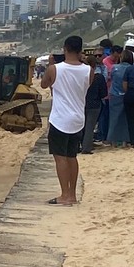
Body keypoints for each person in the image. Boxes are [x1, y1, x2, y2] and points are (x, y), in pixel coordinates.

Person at [41, 35, 92, 205]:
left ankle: (64, 195)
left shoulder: (54, 69)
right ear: (80, 50)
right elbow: (86, 86)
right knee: (72, 156)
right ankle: (72, 194)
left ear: (65, 49)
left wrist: (50, 64)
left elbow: (44, 84)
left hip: (60, 118)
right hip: (78, 118)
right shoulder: (89, 70)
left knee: (60, 157)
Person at [108, 46, 134, 147]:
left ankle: (113, 141)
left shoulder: (114, 67)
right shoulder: (131, 68)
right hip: (127, 94)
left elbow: (111, 78)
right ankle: (124, 141)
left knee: (114, 118)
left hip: (115, 94)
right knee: (126, 119)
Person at [81, 53, 107, 154]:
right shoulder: (99, 77)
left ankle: (78, 145)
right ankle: (86, 147)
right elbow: (104, 93)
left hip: (82, 102)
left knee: (81, 126)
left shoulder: (82, 76)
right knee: (90, 127)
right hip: (94, 104)